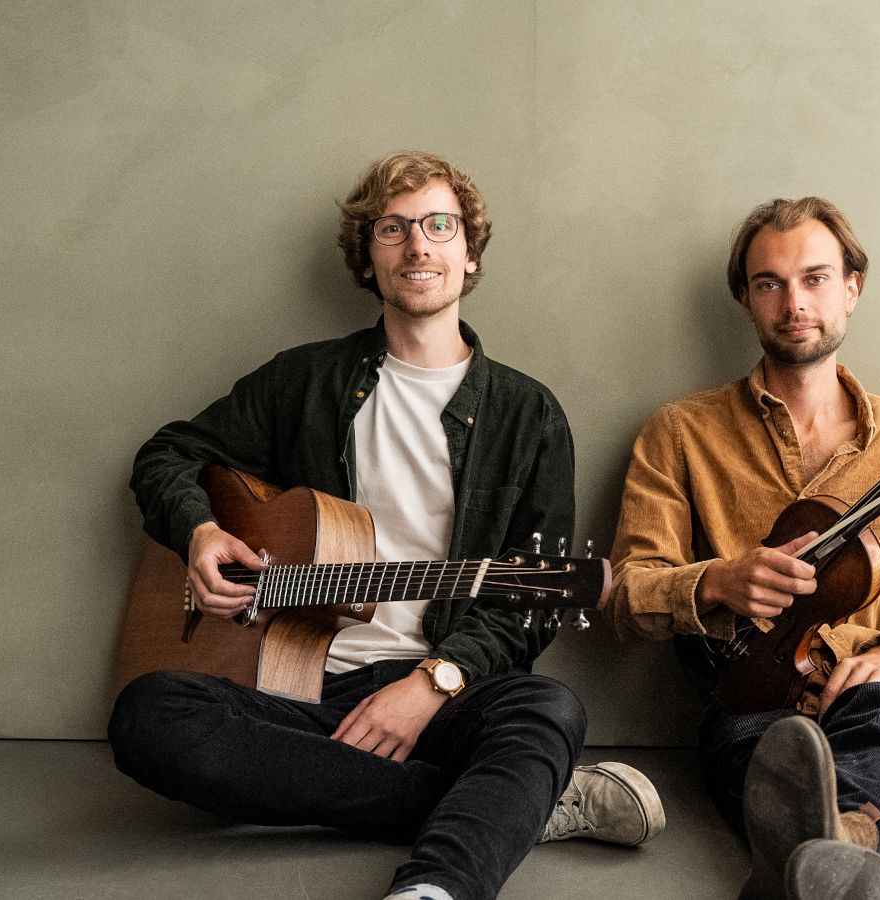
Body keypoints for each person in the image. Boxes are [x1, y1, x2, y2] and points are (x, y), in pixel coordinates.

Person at [111, 151, 663, 900]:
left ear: (470, 253)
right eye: (393, 229)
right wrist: (199, 533)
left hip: (447, 693)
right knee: (148, 715)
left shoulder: (528, 415)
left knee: (548, 709)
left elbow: (525, 610)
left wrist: (432, 684)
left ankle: (432, 887)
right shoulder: (303, 381)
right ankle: (507, 806)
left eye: (439, 226)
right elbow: (168, 454)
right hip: (295, 690)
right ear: (368, 258)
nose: (417, 245)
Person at [606, 197, 880, 900]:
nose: (794, 303)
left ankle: (840, 846)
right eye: (769, 283)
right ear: (746, 299)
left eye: (815, 278)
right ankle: (850, 863)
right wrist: (718, 582)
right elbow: (628, 595)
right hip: (753, 701)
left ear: (852, 288)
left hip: (876, 694)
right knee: (774, 757)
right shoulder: (679, 433)